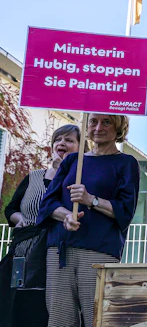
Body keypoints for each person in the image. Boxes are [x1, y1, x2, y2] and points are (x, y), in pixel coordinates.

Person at [37, 114, 140, 327]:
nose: (98, 127)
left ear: (119, 127)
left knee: (98, 319)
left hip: (98, 253)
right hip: (60, 251)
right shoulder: (74, 160)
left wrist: (90, 200)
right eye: (93, 121)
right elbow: (48, 204)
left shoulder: (126, 163)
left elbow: (125, 211)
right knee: (59, 320)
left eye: (107, 122)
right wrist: (66, 216)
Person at [0, 125, 83, 327]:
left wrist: (63, 172)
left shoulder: (81, 179)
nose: (62, 143)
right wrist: (18, 218)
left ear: (81, 148)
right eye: (58, 139)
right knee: (16, 306)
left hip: (56, 254)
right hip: (23, 252)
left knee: (46, 309)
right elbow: (11, 208)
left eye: (69, 140)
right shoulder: (34, 177)